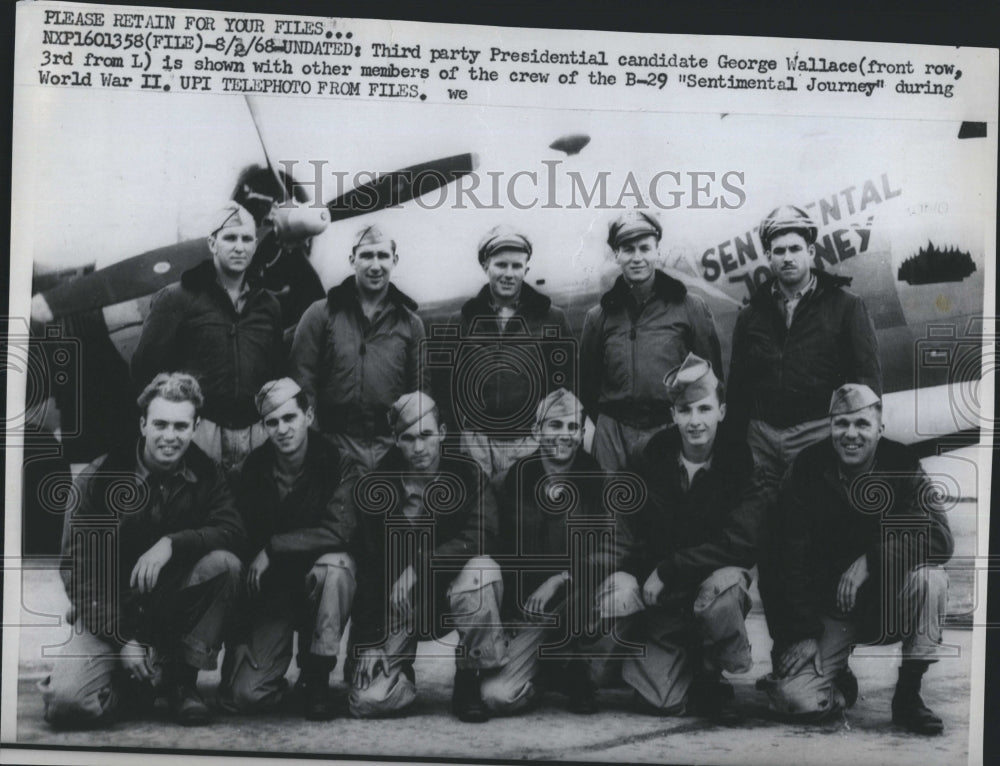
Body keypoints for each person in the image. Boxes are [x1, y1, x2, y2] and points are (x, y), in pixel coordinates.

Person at [39, 373, 245, 727]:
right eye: (160, 424)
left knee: (225, 565)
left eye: (181, 426)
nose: (170, 436)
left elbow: (233, 530)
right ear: (143, 424)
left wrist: (172, 543)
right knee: (67, 704)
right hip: (110, 610)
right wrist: (121, 639)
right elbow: (81, 570)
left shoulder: (207, 473)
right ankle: (138, 687)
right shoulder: (99, 478)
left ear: (195, 426)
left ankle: (182, 681)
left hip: (171, 609)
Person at [759, 384, 953, 736]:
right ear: (830, 427)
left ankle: (908, 696)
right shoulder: (807, 469)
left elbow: (940, 536)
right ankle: (839, 683)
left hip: (886, 604)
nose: (851, 434)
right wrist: (799, 633)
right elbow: (777, 557)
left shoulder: (902, 464)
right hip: (828, 613)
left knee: (931, 579)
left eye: (862, 424)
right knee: (795, 699)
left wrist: (872, 559)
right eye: (841, 423)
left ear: (879, 429)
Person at [591, 353, 767, 721]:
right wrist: (633, 576)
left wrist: (671, 567)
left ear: (721, 411)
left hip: (703, 588)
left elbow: (741, 543)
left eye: (704, 409)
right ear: (672, 415)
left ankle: (710, 673)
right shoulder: (650, 458)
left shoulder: (741, 463)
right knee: (661, 703)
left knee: (726, 587)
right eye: (685, 411)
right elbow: (626, 528)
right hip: (665, 601)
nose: (695, 421)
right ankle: (657, 660)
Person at [331, 391, 508, 721]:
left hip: (450, 593)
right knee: (367, 702)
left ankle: (469, 676)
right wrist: (368, 642)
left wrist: (421, 565)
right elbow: (366, 565)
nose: (419, 448)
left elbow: (483, 535)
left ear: (442, 432)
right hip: (400, 604)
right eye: (408, 438)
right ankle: (400, 675)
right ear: (396, 440)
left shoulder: (468, 475)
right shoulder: (376, 488)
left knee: (482, 569)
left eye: (427, 435)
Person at [221, 378, 354, 720]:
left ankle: (317, 676)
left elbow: (340, 530)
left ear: (308, 415)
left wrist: (275, 547)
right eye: (272, 422)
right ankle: (278, 680)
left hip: (317, 586)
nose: (282, 429)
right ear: (264, 426)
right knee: (247, 696)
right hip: (275, 596)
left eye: (290, 418)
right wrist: (235, 646)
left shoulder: (338, 462)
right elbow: (236, 547)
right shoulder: (248, 472)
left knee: (337, 567)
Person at [727, 205, 882, 483]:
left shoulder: (847, 307)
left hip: (817, 435)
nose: (788, 258)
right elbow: (738, 389)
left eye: (795, 249)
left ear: (810, 252)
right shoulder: (750, 316)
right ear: (768, 257)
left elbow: (866, 383)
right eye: (779, 251)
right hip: (761, 443)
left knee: (814, 518)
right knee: (760, 518)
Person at [479, 388, 607, 716]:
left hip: (582, 604)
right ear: (537, 430)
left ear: (582, 432)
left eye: (572, 427)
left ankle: (581, 670)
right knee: (497, 697)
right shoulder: (508, 483)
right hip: (530, 611)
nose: (564, 435)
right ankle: (546, 675)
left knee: (618, 593)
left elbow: (614, 547)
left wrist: (564, 577)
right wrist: (508, 612)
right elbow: (494, 551)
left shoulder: (599, 482)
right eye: (555, 425)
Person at [131, 202, 284, 471]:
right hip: (199, 432)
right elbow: (145, 368)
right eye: (230, 238)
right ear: (212, 243)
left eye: (247, 239)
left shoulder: (269, 304)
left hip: (256, 434)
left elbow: (276, 370)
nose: (240, 247)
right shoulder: (176, 298)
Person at [581, 210, 723, 472]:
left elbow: (710, 377)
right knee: (614, 509)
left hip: (667, 428)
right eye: (628, 249)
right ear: (617, 255)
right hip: (613, 435)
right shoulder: (598, 317)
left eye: (645, 248)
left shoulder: (690, 307)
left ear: (657, 251)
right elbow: (587, 384)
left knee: (665, 507)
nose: (637, 258)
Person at [438, 225, 574, 490]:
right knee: (480, 520)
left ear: (527, 270)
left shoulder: (552, 318)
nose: (509, 274)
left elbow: (566, 387)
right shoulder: (461, 320)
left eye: (516, 266)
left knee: (524, 519)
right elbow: (445, 389)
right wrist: (455, 446)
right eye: (501, 265)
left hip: (530, 444)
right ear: (485, 266)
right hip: (476, 444)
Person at [291, 224, 427, 477]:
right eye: (366, 255)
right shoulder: (320, 315)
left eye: (383, 256)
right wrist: (315, 444)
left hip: (391, 449)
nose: (375, 265)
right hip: (335, 445)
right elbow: (303, 384)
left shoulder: (411, 324)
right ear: (352, 259)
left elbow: (420, 394)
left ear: (394, 260)